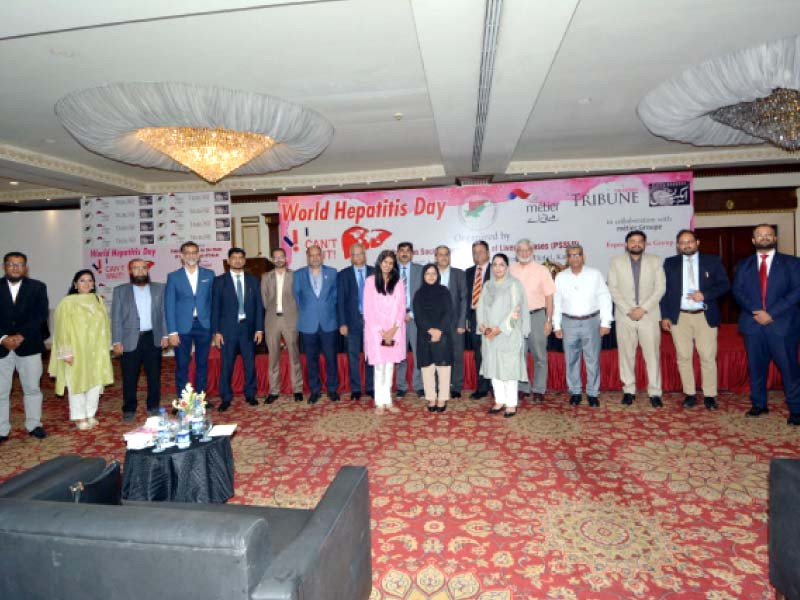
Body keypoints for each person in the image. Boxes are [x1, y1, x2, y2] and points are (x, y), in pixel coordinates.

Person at [732, 224, 800, 425]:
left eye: (768, 235)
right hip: (753, 324)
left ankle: (796, 409)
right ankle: (759, 404)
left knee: (789, 369)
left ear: (775, 238)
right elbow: (738, 291)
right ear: (753, 240)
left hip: (782, 325)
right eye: (759, 235)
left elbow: (797, 291)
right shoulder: (744, 265)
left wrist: (771, 313)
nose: (764, 238)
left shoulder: (792, 263)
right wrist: (757, 312)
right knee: (756, 368)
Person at [660, 230, 730, 410]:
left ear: (697, 242)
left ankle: (709, 395)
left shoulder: (712, 261)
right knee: (683, 357)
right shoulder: (670, 263)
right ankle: (689, 394)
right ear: (677, 245)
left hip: (704, 315)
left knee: (707, 357)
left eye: (690, 241)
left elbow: (724, 285)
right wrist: (665, 316)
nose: (686, 245)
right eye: (682, 242)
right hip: (680, 317)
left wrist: (705, 295)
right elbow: (664, 292)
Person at [608, 230, 666, 407]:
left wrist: (643, 309)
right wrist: (628, 310)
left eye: (640, 241)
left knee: (652, 356)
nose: (636, 244)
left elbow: (660, 288)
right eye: (632, 241)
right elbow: (613, 289)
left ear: (645, 244)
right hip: (625, 316)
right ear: (626, 244)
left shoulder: (655, 261)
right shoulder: (616, 262)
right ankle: (629, 390)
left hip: (648, 315)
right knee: (626, 355)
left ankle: (655, 392)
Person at [49, 270, 113, 430]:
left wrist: (107, 346)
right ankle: (78, 416)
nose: (86, 283)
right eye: (82, 280)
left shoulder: (98, 300)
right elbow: (61, 329)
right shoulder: (67, 302)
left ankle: (90, 413)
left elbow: (106, 325)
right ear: (75, 284)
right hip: (76, 350)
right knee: (76, 382)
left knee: (96, 381)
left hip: (97, 350)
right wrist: (66, 352)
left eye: (90, 280)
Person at [552, 245, 613, 407]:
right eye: (571, 255)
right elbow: (556, 302)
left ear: (583, 257)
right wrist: (556, 325)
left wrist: (606, 322)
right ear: (567, 258)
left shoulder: (595, 274)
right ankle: (576, 391)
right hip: (568, 322)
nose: (574, 258)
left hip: (591, 321)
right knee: (571, 359)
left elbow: (604, 298)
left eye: (577, 255)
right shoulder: (561, 277)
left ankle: (593, 393)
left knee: (592, 359)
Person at [111, 258, 169, 421]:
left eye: (143, 268)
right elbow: (115, 318)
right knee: (129, 377)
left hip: (153, 337)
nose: (140, 271)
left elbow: (164, 314)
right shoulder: (120, 291)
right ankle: (129, 408)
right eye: (136, 268)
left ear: (147, 270)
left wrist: (165, 335)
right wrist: (116, 341)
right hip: (129, 339)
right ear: (130, 271)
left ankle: (153, 406)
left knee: (154, 375)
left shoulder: (159, 288)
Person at [0, 251, 49, 441]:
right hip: (1, 346)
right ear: (4, 266)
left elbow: (40, 314)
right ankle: (2, 429)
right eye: (11, 264)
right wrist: (3, 337)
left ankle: (34, 424)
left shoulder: (38, 287)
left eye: (19, 264)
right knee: (1, 390)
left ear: (25, 267)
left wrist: (21, 335)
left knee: (32, 388)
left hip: (29, 344)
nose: (15, 267)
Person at [477, 253, 530, 417]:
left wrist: (499, 329)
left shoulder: (514, 284)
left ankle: (511, 403)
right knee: (493, 367)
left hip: (508, 334)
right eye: (495, 265)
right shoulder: (487, 285)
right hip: (489, 335)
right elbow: (481, 308)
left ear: (507, 267)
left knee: (509, 369)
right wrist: (484, 328)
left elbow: (516, 311)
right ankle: (499, 400)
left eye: (501, 265)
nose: (498, 268)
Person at [211, 248, 264, 411]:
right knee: (227, 365)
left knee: (250, 364)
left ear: (244, 260)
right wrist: (216, 332)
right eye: (234, 258)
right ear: (228, 260)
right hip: (227, 330)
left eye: (241, 257)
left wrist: (259, 329)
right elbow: (215, 308)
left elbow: (258, 307)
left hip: (248, 329)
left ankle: (250, 394)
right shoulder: (219, 281)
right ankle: (226, 397)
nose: (238, 261)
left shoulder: (253, 280)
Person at [165, 241, 215, 398]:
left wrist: (215, 328)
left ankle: (200, 398)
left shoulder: (209, 275)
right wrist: (172, 331)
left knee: (202, 363)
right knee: (182, 365)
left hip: (204, 325)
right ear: (182, 256)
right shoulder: (173, 277)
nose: (191, 255)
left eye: (194, 252)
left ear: (199, 255)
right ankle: (183, 400)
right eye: (187, 252)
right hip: (182, 327)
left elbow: (213, 302)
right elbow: (169, 305)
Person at [509, 238, 555, 403]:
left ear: (532, 250)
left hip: (537, 316)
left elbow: (549, 297)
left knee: (539, 355)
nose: (524, 253)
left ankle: (539, 389)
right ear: (516, 252)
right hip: (516, 317)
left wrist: (549, 320)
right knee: (518, 354)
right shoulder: (510, 269)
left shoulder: (542, 270)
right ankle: (522, 387)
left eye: (527, 250)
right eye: (520, 250)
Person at [293, 245, 339, 404]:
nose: (314, 258)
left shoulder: (332, 273)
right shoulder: (298, 274)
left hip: (328, 322)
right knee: (311, 360)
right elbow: (297, 297)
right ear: (307, 257)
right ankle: (315, 390)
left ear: (322, 256)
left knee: (331, 358)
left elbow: (335, 296)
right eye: (311, 255)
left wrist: (326, 310)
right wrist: (309, 310)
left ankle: (332, 389)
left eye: (317, 255)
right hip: (308, 323)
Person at [363, 250, 406, 413]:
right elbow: (369, 309)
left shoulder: (399, 282)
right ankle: (379, 402)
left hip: (394, 330)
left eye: (391, 263)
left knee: (389, 366)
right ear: (379, 262)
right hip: (376, 332)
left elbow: (401, 307)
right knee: (379, 367)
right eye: (385, 262)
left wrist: (394, 329)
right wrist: (382, 331)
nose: (387, 265)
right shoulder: (370, 281)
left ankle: (388, 400)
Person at [261, 247, 304, 404]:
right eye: (275, 257)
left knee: (294, 355)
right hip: (272, 320)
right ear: (272, 260)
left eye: (281, 257)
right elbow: (265, 300)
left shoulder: (294, 275)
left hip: (291, 319)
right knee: (273, 357)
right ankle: (273, 391)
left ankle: (297, 389)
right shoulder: (266, 277)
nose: (279, 259)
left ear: (286, 259)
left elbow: (298, 297)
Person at [413, 263, 453, 412]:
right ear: (423, 276)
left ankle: (442, 398)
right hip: (424, 335)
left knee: (443, 368)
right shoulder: (419, 294)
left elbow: (449, 313)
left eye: (433, 273)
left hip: (443, 336)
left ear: (438, 276)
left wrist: (439, 330)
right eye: (427, 273)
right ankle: (431, 397)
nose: (431, 276)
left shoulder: (444, 292)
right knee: (427, 368)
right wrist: (430, 330)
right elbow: (418, 315)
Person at [337, 243, 374, 400]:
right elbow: (340, 301)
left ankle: (371, 388)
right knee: (353, 357)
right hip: (351, 322)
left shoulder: (374, 272)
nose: (357, 257)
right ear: (350, 257)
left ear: (365, 255)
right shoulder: (343, 274)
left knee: (370, 356)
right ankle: (356, 389)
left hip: (372, 322)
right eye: (354, 254)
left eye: (360, 254)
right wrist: (342, 323)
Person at [435, 245, 467, 398]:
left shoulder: (459, 274)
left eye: (446, 254)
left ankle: (456, 386)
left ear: (449, 256)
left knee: (456, 355)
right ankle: (438, 385)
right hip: (436, 323)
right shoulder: (430, 273)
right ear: (436, 257)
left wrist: (462, 322)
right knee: (437, 354)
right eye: (440, 255)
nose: (443, 257)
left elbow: (464, 299)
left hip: (455, 323)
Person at [394, 242, 423, 397]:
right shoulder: (391, 271)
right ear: (397, 253)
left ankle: (419, 385)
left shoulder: (420, 270)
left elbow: (422, 294)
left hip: (415, 317)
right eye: (402, 251)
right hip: (396, 320)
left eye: (407, 251)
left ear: (412, 253)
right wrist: (398, 315)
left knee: (418, 353)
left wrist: (411, 313)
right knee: (400, 354)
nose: (404, 253)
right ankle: (401, 386)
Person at [465, 240, 491, 399]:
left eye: (481, 251)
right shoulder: (468, 272)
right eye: (475, 252)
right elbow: (465, 298)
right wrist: (467, 319)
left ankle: (496, 386)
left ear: (488, 253)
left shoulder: (496, 270)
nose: (478, 254)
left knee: (493, 353)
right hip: (474, 318)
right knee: (479, 355)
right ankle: (482, 388)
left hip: (492, 318)